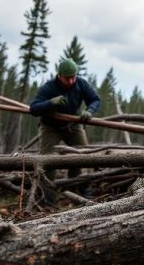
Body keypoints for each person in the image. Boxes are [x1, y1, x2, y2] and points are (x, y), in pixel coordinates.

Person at [29, 57, 101, 199]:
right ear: (59, 76)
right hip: (50, 127)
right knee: (48, 160)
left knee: (82, 155)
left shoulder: (81, 84)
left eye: (73, 78)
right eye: (67, 78)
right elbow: (34, 108)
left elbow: (95, 100)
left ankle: (80, 191)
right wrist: (50, 102)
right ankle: (48, 197)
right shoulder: (49, 87)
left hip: (73, 125)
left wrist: (89, 111)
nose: (70, 81)